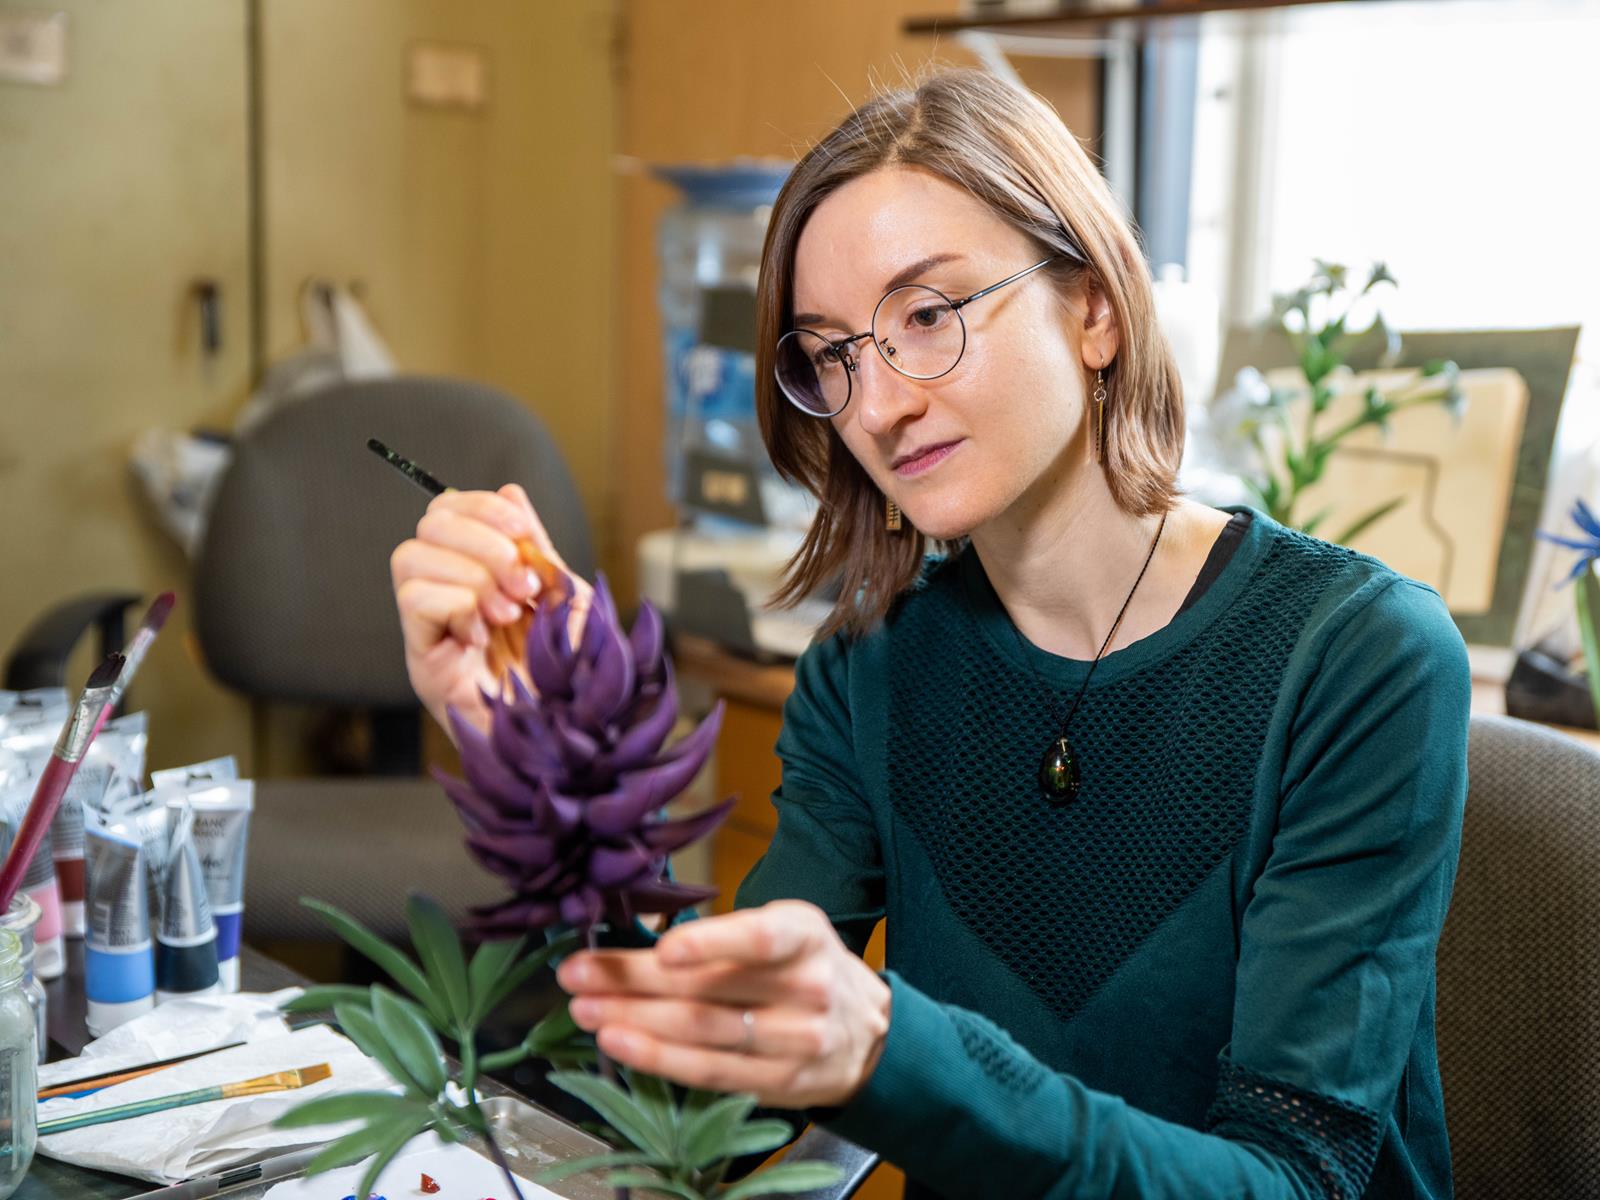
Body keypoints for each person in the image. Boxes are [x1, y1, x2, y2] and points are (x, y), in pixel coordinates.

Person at [390, 68, 1470, 1200]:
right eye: (833, 354)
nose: (876, 404)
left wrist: (886, 1048)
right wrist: (557, 753)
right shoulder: (869, 669)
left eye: (928, 315)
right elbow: (703, 1111)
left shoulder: (1358, 659)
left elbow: (1298, 1179)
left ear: (1093, 309)